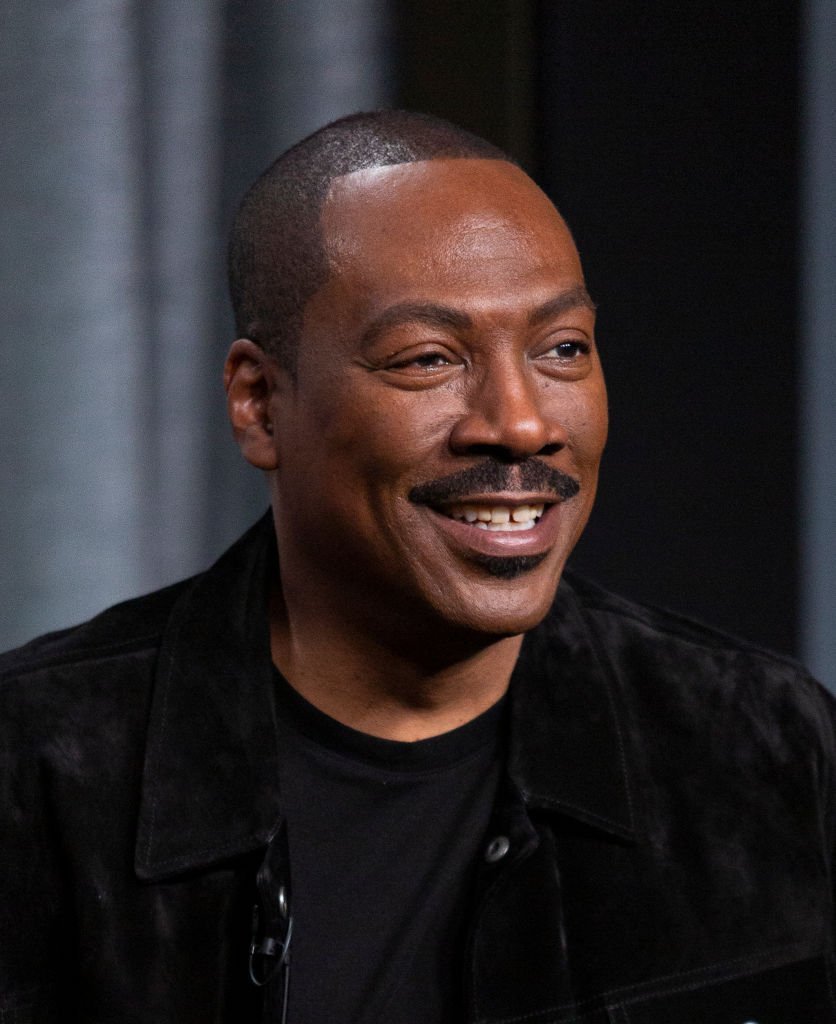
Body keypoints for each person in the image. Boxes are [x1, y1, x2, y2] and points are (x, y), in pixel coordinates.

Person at [1, 110, 834, 1023]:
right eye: (428, 359)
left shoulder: (767, 750)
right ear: (258, 404)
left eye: (562, 349)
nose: (520, 423)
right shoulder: (38, 773)